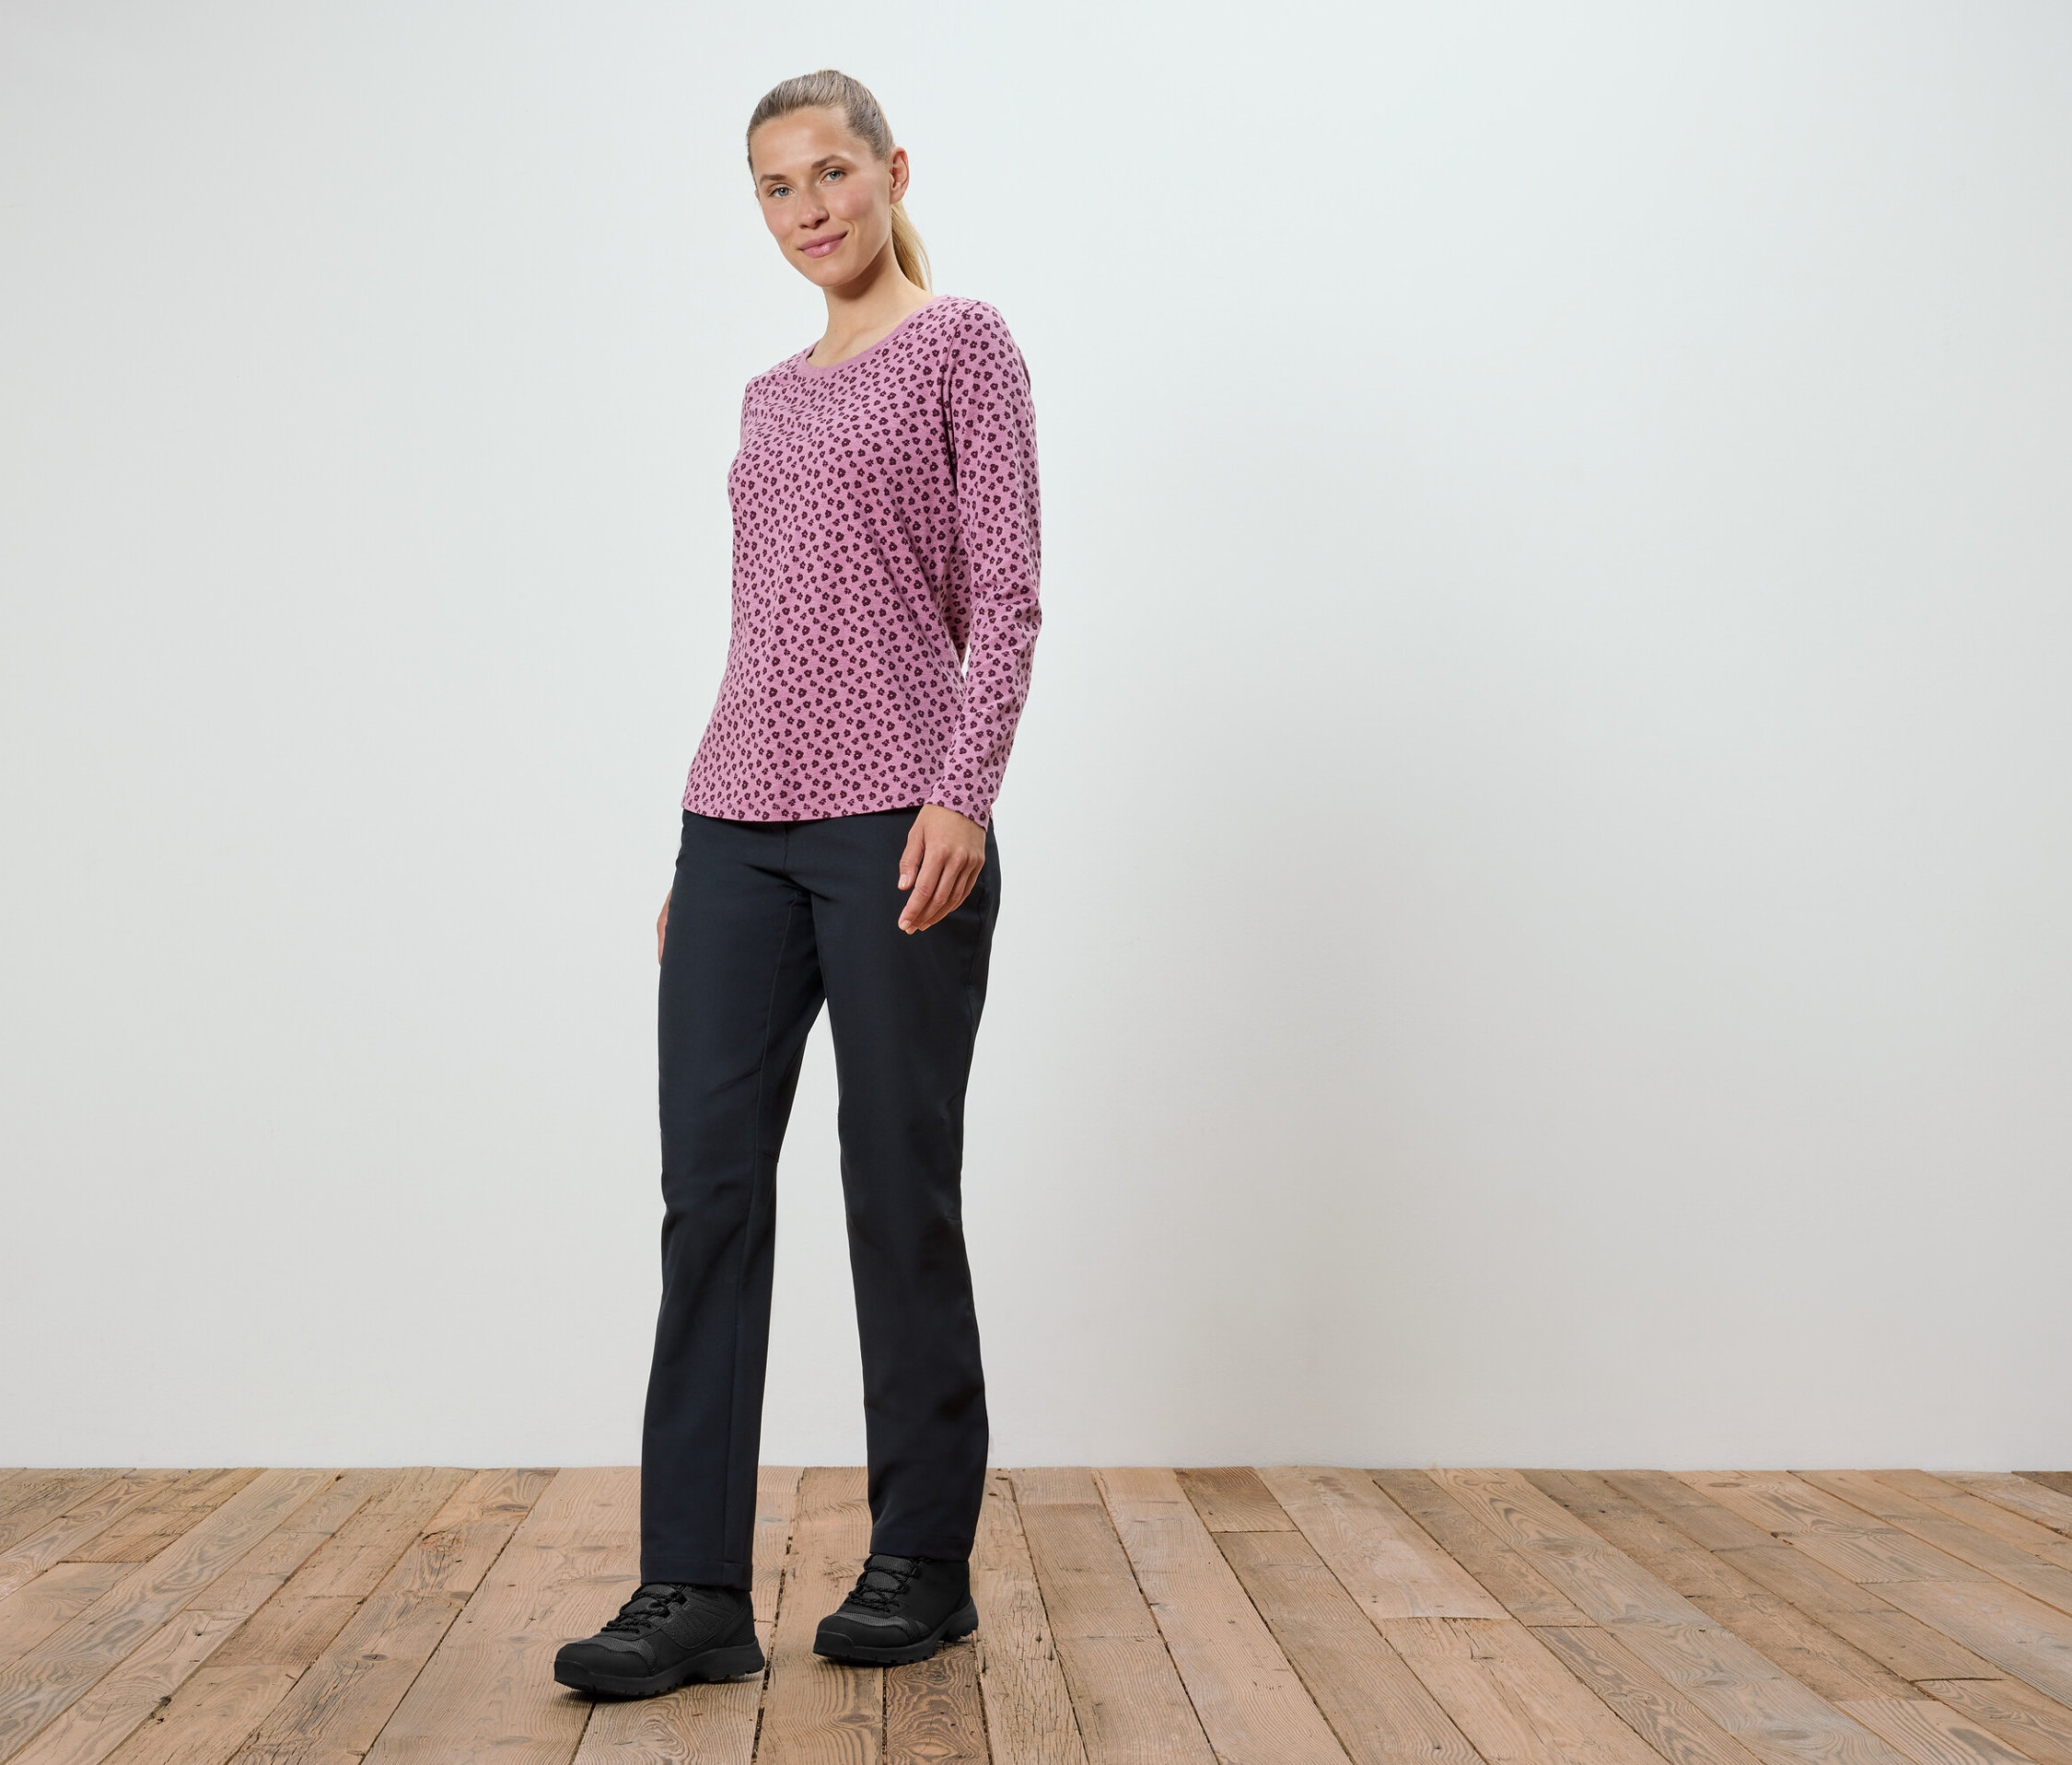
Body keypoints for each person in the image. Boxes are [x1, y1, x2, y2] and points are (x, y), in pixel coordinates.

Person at [553, 69, 1041, 1700]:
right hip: (737, 829)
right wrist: (704, 843)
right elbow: (764, 627)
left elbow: (1010, 595)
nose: (808, 208)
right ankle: (688, 1584)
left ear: (893, 172)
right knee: (709, 1201)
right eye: (774, 187)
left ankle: (924, 1555)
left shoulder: (963, 343)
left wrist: (962, 797)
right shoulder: (766, 397)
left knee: (893, 1193)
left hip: (900, 824)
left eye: (831, 172)